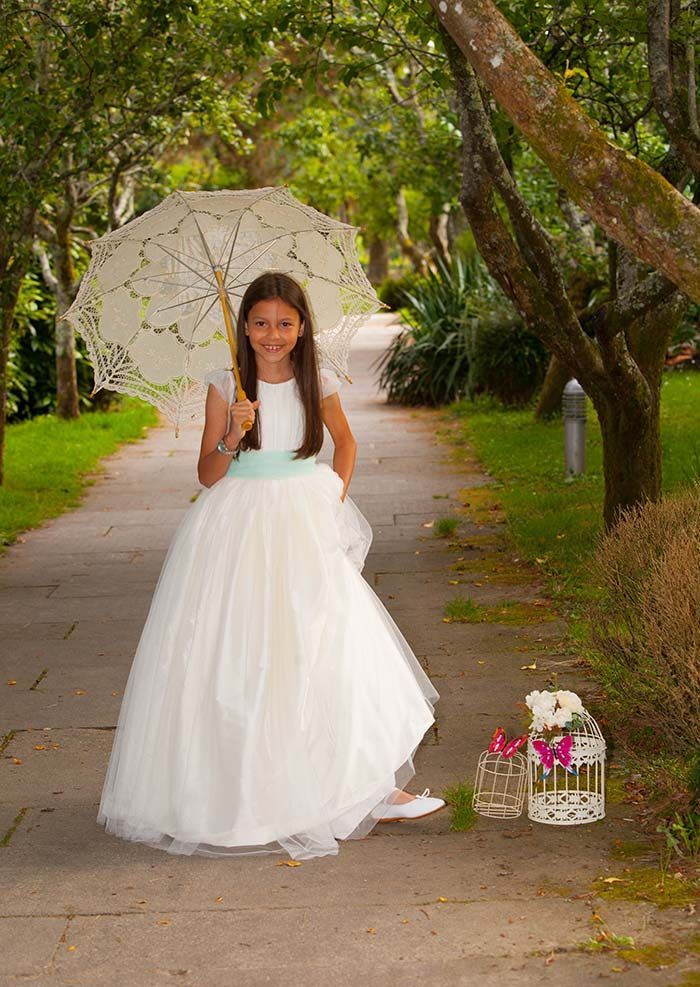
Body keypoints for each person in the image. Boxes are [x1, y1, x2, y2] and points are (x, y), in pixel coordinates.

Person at [97, 271, 444, 860]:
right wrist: (233, 433)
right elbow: (208, 474)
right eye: (260, 323)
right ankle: (238, 794)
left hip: (304, 515)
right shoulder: (225, 385)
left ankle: (369, 788)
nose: (272, 334)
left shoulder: (318, 381)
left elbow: (346, 442)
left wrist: (334, 497)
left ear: (303, 327)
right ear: (244, 326)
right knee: (242, 652)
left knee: (327, 643)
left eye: (284, 323)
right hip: (238, 525)